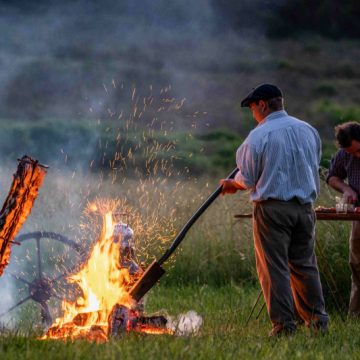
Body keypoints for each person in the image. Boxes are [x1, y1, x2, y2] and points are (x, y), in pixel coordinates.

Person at [221, 83, 329, 336]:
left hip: (273, 209)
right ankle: (317, 322)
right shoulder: (308, 130)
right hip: (304, 208)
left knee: (275, 267)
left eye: (252, 108)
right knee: (305, 265)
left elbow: (247, 178)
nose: (253, 114)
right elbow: (312, 164)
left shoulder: (258, 136)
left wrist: (232, 183)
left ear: (262, 104)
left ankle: (283, 326)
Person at [326, 121, 360, 317]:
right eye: (352, 152)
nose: (356, 156)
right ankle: (355, 316)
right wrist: (347, 189)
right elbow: (332, 177)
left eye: (358, 150)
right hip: (358, 214)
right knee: (357, 266)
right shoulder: (344, 154)